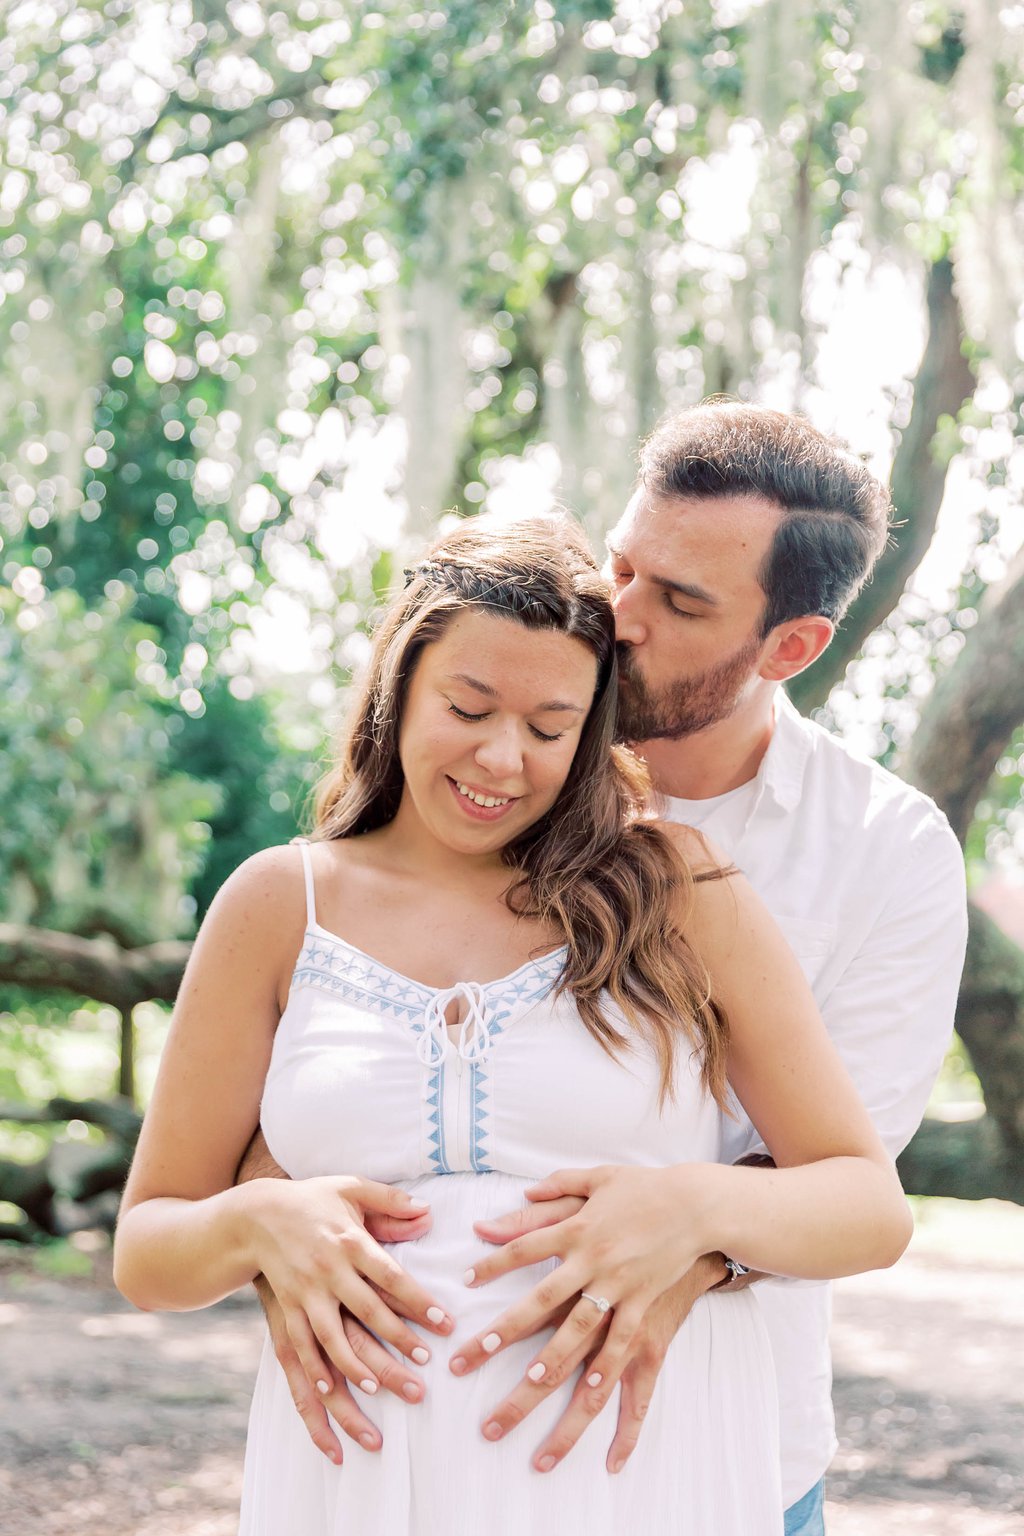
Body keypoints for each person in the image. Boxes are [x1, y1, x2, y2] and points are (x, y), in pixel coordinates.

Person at [113, 511, 913, 1536]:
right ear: (400, 686)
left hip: (642, 1481)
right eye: (468, 705)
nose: (501, 760)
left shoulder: (679, 892)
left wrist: (695, 1209)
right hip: (360, 1490)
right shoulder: (280, 904)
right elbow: (149, 1248)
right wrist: (254, 1223)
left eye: (548, 727)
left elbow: (867, 1206)